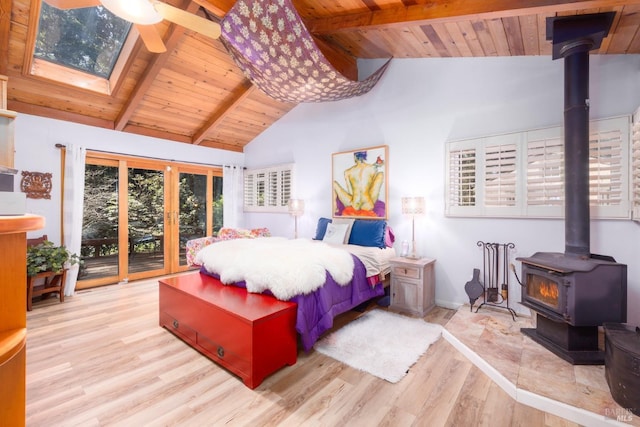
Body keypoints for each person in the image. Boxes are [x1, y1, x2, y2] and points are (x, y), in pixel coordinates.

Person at [333, 150, 384, 217]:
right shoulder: (372, 168)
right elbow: (372, 187)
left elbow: (350, 192)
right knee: (380, 174)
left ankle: (335, 208)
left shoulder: (347, 172)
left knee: (334, 183)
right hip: (367, 205)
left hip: (355, 205)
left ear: (355, 157)